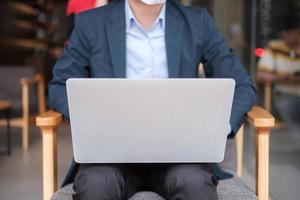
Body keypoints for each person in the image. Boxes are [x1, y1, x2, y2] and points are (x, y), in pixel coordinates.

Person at [49, 0, 256, 199]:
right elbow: (60, 85)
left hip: (180, 154)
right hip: (111, 155)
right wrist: (88, 121)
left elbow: (242, 85)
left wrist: (220, 129)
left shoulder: (197, 21)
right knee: (95, 186)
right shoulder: (91, 23)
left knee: (194, 185)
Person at [257, 1, 300, 140]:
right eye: (285, 33)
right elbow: (260, 75)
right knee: (291, 112)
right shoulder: (274, 47)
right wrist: (283, 78)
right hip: (284, 94)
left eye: (292, 32)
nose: (288, 36)